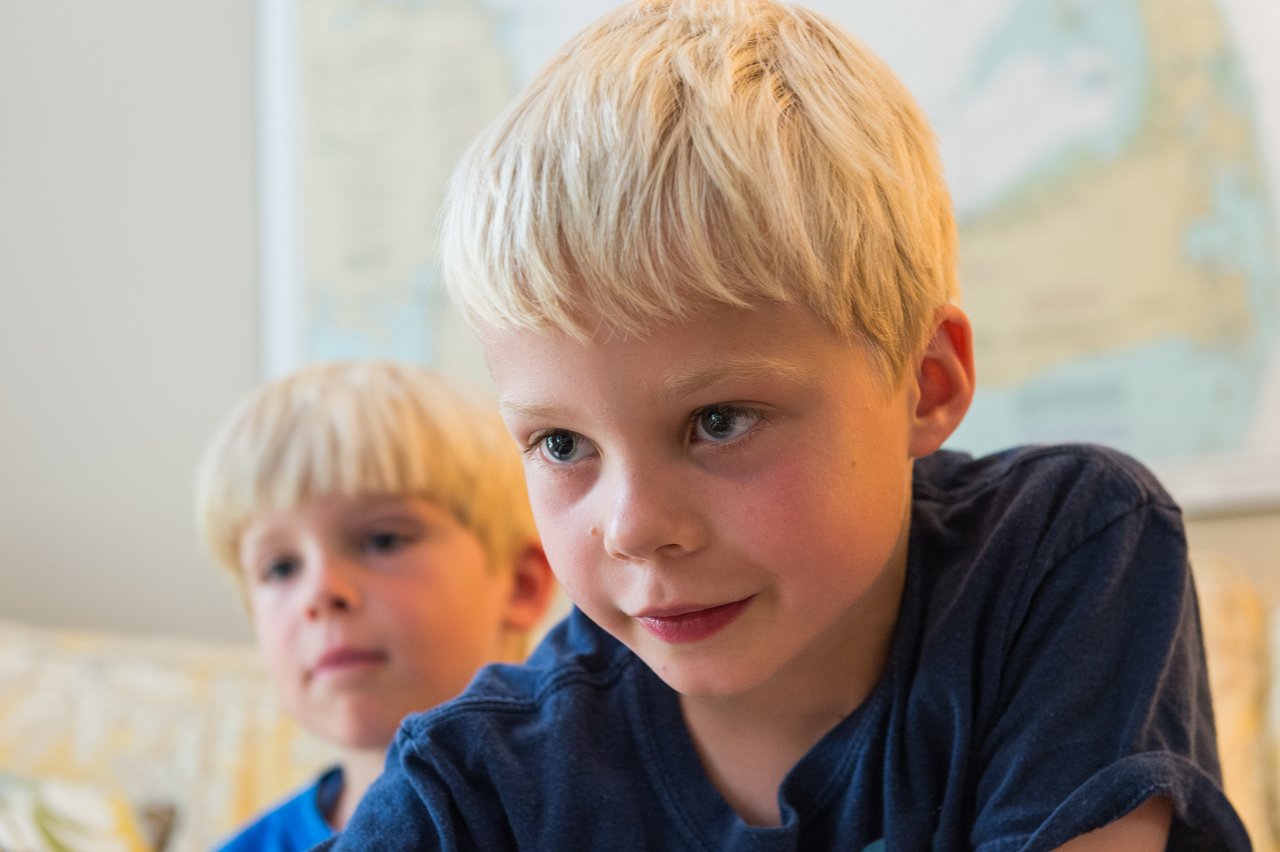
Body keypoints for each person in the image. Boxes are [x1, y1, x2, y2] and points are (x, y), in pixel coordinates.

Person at [325, 1, 1249, 849]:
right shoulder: (472, 784)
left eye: (718, 421)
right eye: (562, 446)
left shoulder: (1066, 548)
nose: (635, 525)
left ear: (925, 386)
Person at [194, 361, 555, 850]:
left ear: (520, 584)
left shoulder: (611, 813)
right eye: (280, 568)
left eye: (382, 540)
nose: (321, 593)